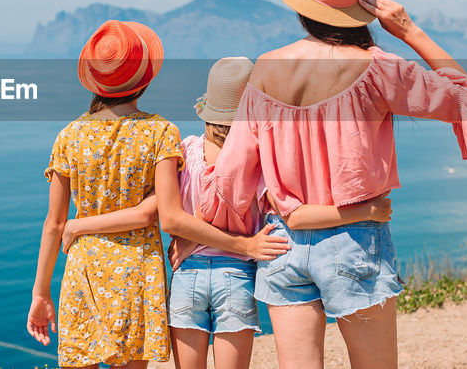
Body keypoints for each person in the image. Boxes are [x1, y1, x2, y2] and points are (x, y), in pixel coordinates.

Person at [200, 0, 467, 369]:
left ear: (303, 6)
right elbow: (463, 93)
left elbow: (231, 177)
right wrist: (408, 30)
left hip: (281, 241)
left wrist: (264, 213)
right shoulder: (379, 67)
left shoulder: (264, 68)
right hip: (356, 237)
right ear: (357, 9)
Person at [68, 57, 393, 369]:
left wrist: (192, 238)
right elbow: (291, 215)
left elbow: (163, 213)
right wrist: (365, 211)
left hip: (187, 276)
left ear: (206, 112)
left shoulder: (185, 152)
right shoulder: (260, 161)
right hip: (235, 276)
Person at [26, 19, 180, 368]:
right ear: (144, 78)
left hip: (84, 270)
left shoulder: (69, 136)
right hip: (136, 273)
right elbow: (154, 211)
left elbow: (54, 223)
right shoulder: (161, 133)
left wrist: (40, 293)